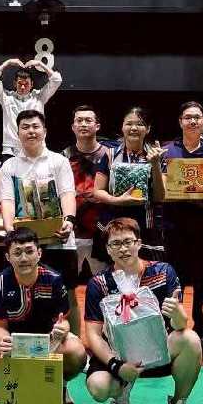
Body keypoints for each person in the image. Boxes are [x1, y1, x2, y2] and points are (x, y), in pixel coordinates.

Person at [82, 218, 203, 404]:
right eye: (115, 243)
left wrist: (177, 315)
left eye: (128, 241)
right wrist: (117, 365)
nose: (123, 248)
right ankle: (122, 387)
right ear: (107, 249)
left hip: (158, 350)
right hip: (119, 354)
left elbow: (180, 325)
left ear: (139, 243)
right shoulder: (98, 284)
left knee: (191, 339)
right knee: (98, 388)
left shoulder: (163, 272)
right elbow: (93, 334)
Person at [0, 228, 86, 404]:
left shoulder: (54, 279)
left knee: (76, 352)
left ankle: (61, 385)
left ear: (39, 253)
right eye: (17, 253)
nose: (24, 258)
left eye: (29, 251)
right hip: (13, 339)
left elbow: (63, 321)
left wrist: (62, 329)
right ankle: (7, 383)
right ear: (8, 257)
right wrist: (6, 342)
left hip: (47, 341)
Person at [0, 109, 80, 333]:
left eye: (35, 126)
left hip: (59, 240)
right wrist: (10, 230)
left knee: (68, 296)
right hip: (25, 244)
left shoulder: (59, 161)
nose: (31, 131)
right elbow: (7, 200)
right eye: (25, 127)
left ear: (44, 130)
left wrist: (69, 221)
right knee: (28, 292)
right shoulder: (9, 166)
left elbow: (67, 194)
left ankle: (74, 345)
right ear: (17, 133)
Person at [158, 101, 203, 340]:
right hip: (173, 228)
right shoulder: (167, 152)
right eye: (188, 117)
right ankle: (171, 326)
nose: (193, 121)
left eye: (197, 117)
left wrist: (189, 195)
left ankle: (200, 328)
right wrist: (194, 193)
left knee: (202, 280)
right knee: (173, 277)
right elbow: (162, 191)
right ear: (180, 122)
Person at [93, 106, 166, 249]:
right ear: (122, 127)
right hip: (113, 224)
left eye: (140, 124)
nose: (133, 128)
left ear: (148, 129)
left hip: (145, 226)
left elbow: (160, 196)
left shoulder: (158, 156)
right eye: (129, 123)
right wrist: (118, 200)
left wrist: (155, 164)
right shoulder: (110, 155)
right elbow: (98, 191)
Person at [64, 105, 112, 284]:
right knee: (67, 285)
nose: (83, 124)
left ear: (97, 126)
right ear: (73, 127)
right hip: (72, 231)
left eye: (88, 120)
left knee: (106, 284)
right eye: (79, 120)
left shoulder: (110, 154)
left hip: (102, 231)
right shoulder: (64, 156)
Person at [0, 56, 62, 157]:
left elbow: (57, 80)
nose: (23, 87)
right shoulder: (6, 98)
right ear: (15, 83)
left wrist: (41, 64)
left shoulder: (39, 97)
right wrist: (8, 63)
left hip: (36, 149)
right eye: (20, 84)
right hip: (11, 151)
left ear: (32, 84)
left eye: (26, 84)